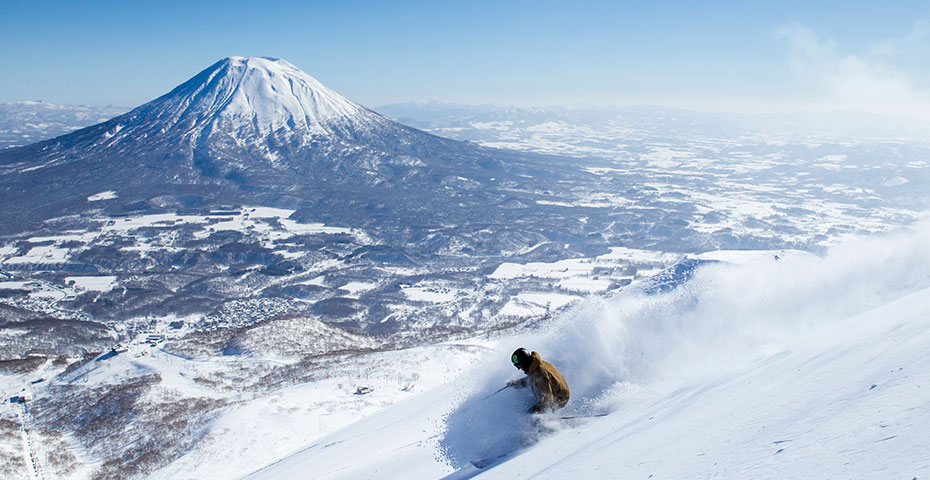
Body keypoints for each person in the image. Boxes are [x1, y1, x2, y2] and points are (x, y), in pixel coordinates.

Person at [507, 347, 570, 413]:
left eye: (520, 366)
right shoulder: (535, 365)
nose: (521, 369)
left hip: (560, 398)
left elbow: (547, 400)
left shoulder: (539, 375)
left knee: (532, 412)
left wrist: (538, 414)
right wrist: (516, 383)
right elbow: (530, 380)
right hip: (555, 390)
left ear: (524, 363)